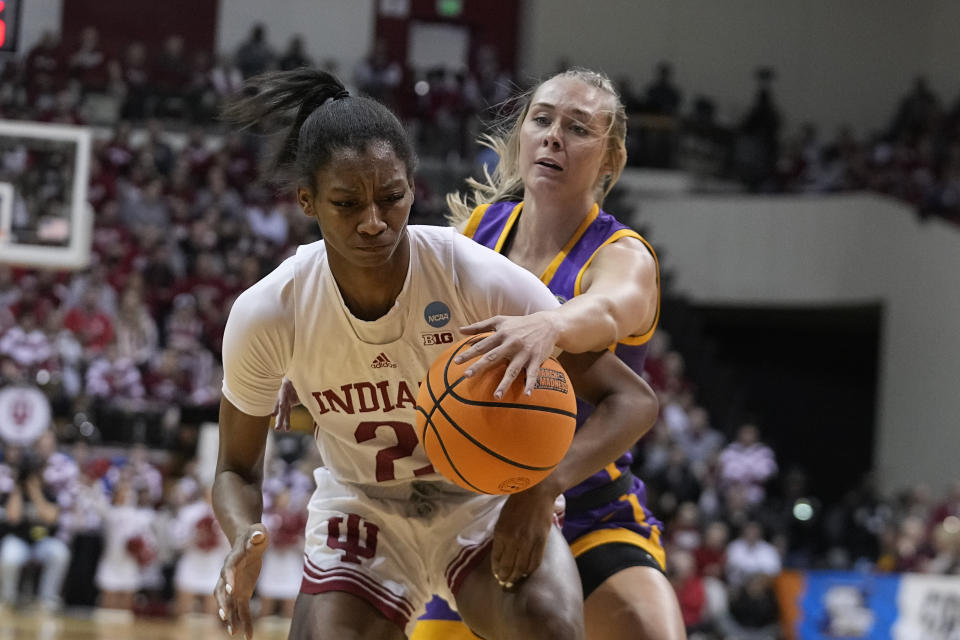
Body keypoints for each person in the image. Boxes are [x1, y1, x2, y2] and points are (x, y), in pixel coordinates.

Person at [213, 68, 658, 640]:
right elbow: (234, 467)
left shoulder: (473, 276)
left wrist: (542, 484)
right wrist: (242, 535)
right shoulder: (270, 310)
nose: (373, 222)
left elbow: (631, 399)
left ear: (413, 188)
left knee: (549, 627)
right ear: (308, 201)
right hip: (362, 504)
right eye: (347, 204)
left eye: (391, 198)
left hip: (483, 497)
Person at [424, 68, 686, 640]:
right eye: (541, 120)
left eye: (577, 128)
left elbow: (612, 310)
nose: (553, 137)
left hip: (589, 500)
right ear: (521, 133)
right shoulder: (479, 232)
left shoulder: (623, 255)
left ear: (610, 157)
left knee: (650, 629)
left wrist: (551, 325)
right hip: (478, 508)